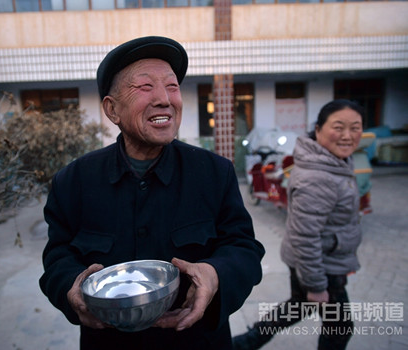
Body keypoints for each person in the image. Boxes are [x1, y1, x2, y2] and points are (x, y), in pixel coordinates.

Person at [39, 36, 265, 350]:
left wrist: (215, 275)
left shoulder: (214, 173)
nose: (164, 99)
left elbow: (243, 249)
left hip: (197, 341)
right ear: (112, 109)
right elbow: (57, 257)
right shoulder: (73, 181)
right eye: (145, 87)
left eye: (172, 87)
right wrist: (71, 288)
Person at [232, 99, 365, 350]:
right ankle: (246, 342)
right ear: (318, 130)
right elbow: (305, 237)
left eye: (355, 127)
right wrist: (316, 286)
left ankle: (246, 342)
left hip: (322, 260)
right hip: (321, 266)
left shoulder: (334, 162)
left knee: (297, 307)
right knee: (340, 329)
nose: (348, 136)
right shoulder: (317, 176)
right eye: (339, 127)